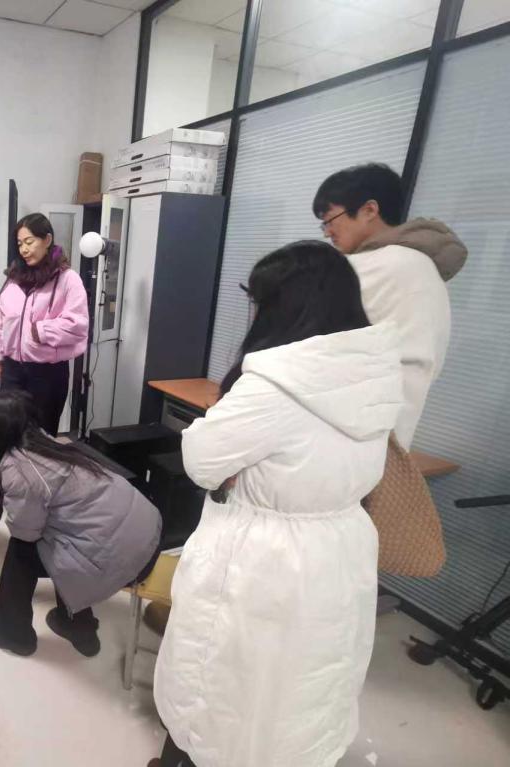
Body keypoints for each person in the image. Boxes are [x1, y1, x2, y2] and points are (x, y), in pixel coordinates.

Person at [150, 241, 402, 767]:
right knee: (300, 685)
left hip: (263, 558)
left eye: (260, 303)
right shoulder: (374, 375)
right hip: (339, 549)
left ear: (286, 309)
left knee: (222, 686)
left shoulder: (275, 385)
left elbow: (202, 461)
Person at [0, 390, 162, 658]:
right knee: (65, 532)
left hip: (122, 560)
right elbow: (11, 484)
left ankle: (13, 633)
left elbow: (25, 529)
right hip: (148, 538)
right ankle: (79, 627)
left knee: (22, 551)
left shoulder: (22, 470)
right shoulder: (44, 444)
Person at [314, 162, 467, 449]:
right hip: (392, 429)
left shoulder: (369, 267)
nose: (327, 232)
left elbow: (303, 343)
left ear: (369, 210)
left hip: (345, 427)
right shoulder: (424, 269)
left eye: (331, 219)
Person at [0, 213, 89, 436]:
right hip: (13, 369)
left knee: (41, 436)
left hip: (47, 373)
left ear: (47, 240)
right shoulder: (14, 279)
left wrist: (40, 331)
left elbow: (78, 325)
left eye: (29, 241)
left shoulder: (67, 279)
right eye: (20, 244)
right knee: (8, 432)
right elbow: (1, 321)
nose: (24, 249)